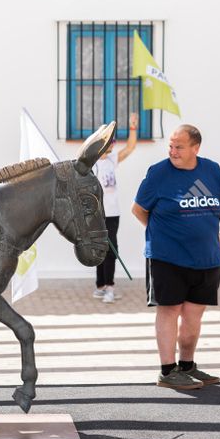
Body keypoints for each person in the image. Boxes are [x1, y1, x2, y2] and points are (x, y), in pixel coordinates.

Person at [132, 124, 220, 390]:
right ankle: (167, 371)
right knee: (169, 311)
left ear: (196, 148)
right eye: (171, 145)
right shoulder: (158, 173)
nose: (173, 151)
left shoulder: (211, 169)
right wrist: (163, 233)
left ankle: (187, 366)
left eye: (179, 146)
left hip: (206, 258)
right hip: (166, 258)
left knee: (194, 316)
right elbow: (138, 210)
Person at [93, 113, 139, 303]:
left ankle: (108, 286)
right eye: (109, 141)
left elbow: (130, 147)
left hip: (113, 213)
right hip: (98, 213)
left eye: (113, 140)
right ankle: (103, 287)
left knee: (111, 249)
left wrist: (133, 127)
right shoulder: (93, 163)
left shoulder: (112, 158)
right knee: (100, 249)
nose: (113, 144)